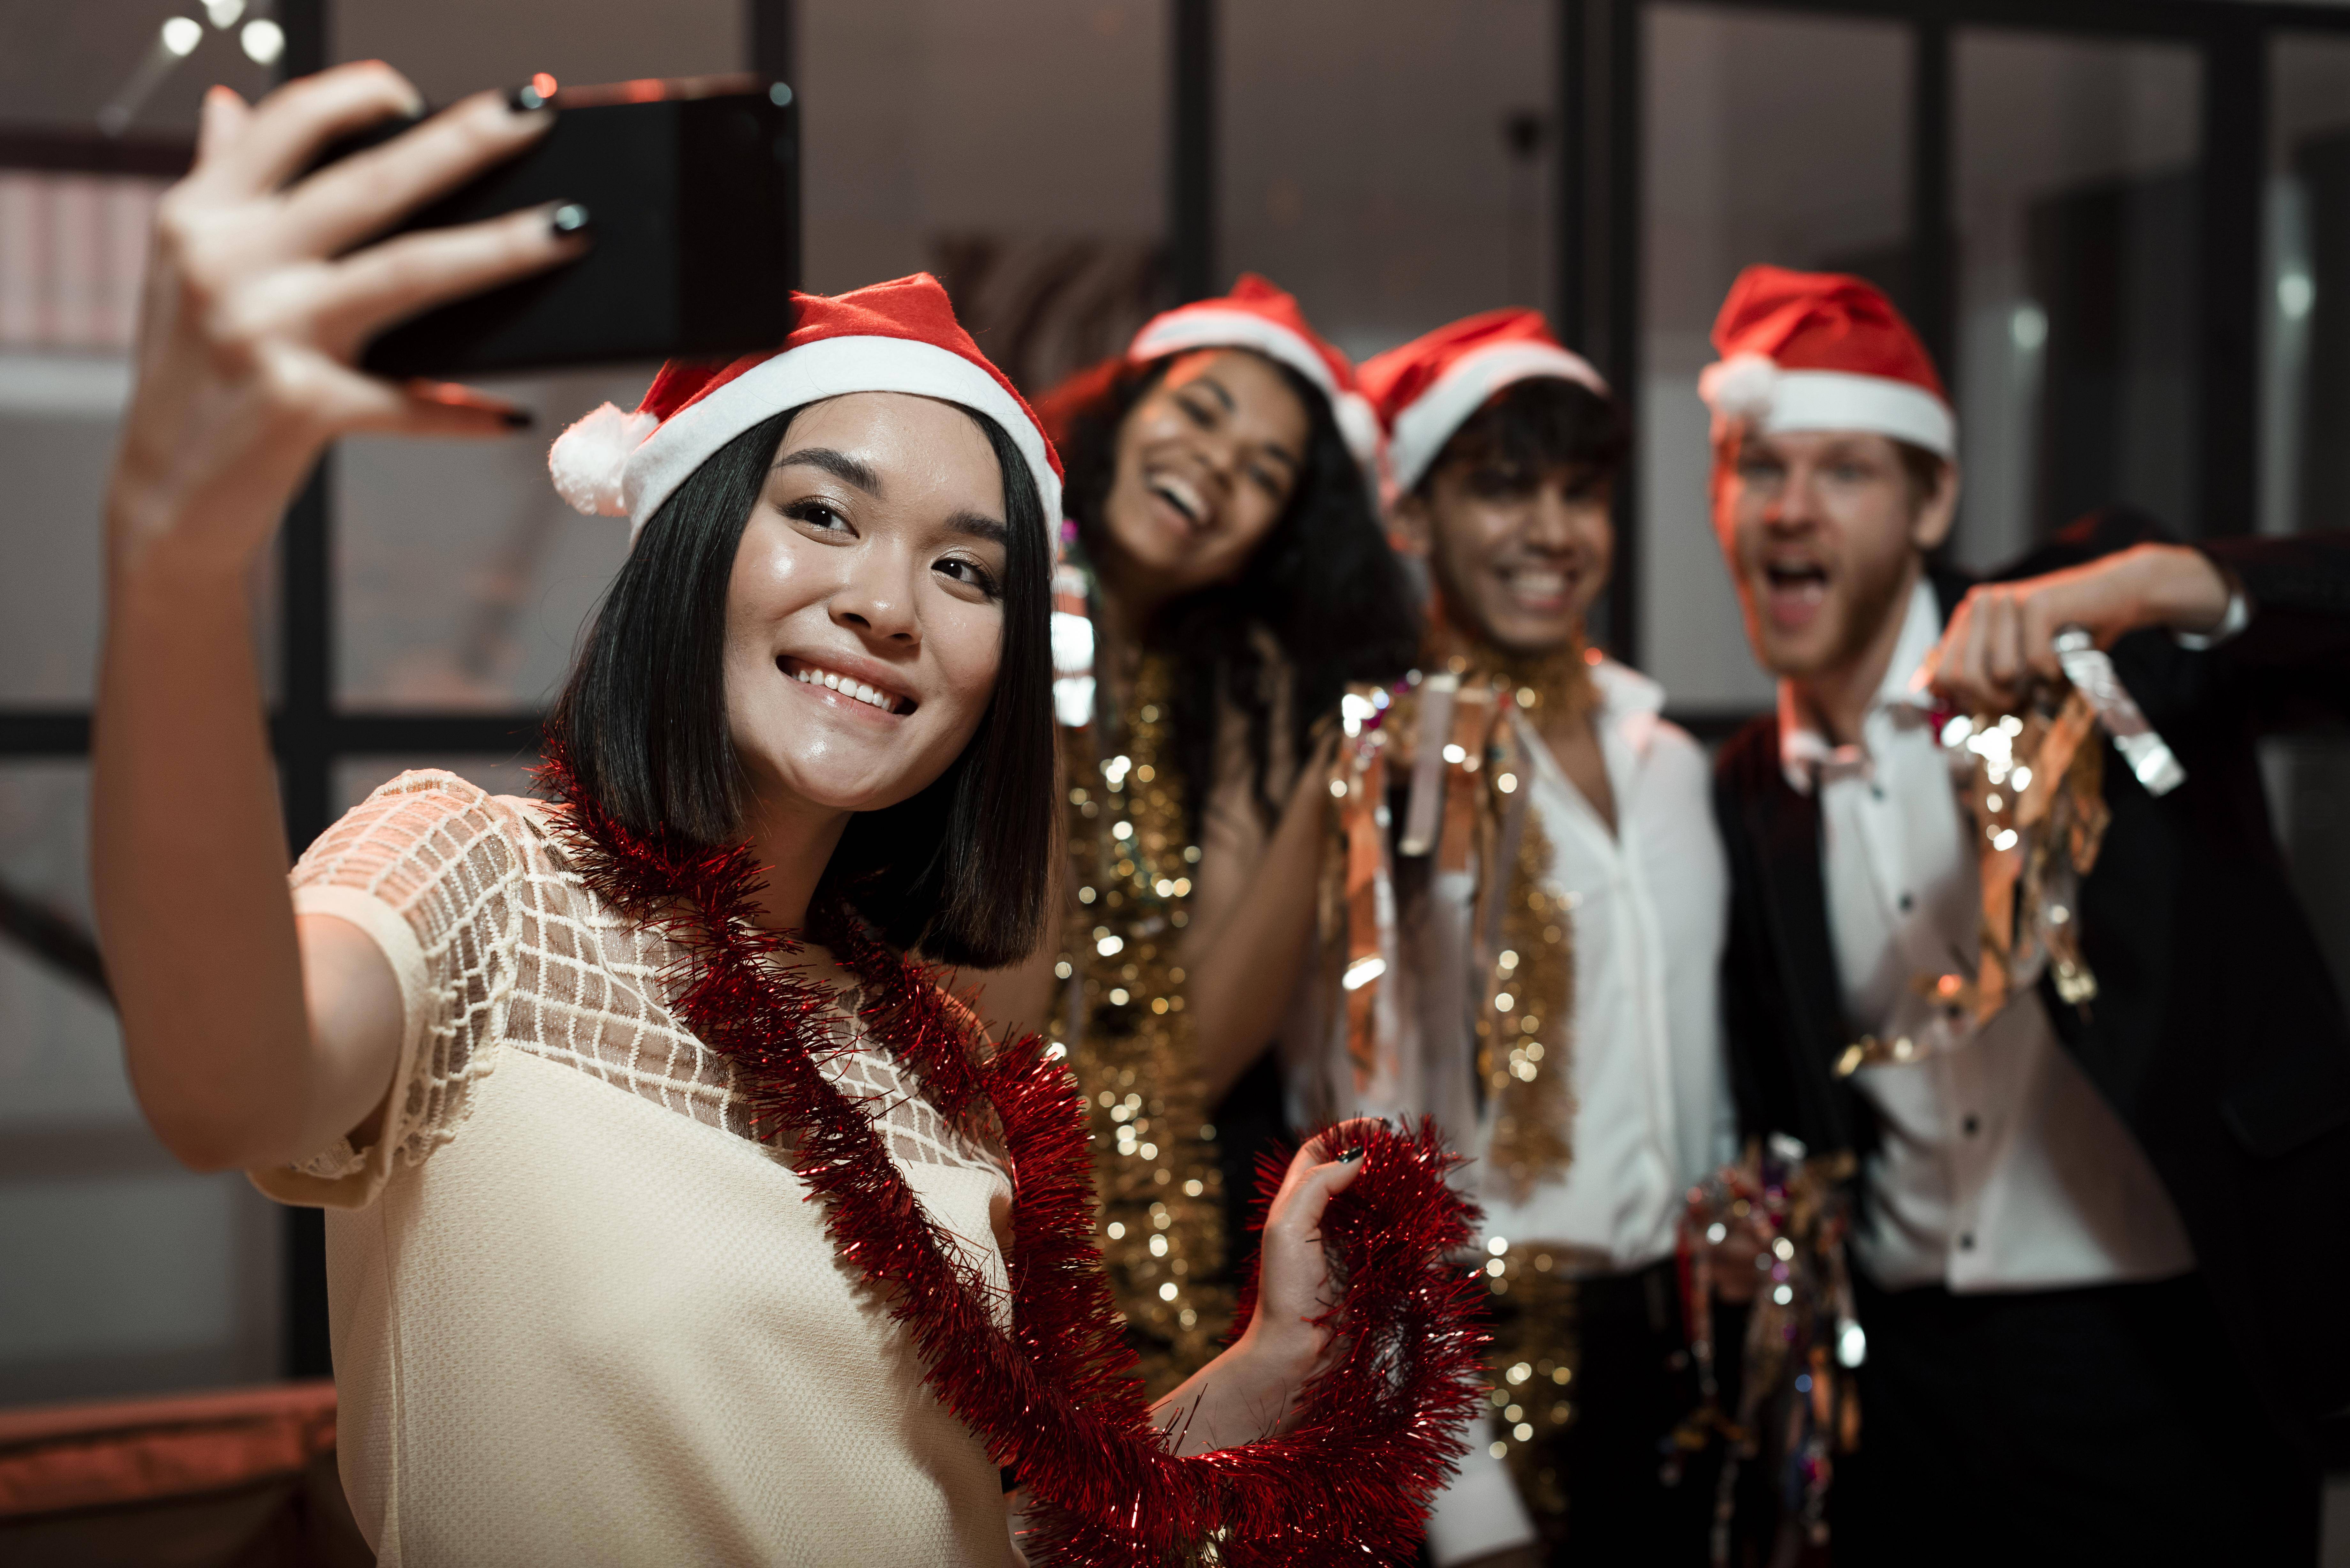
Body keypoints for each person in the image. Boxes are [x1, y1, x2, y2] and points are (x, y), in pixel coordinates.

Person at [91, 65, 1485, 1565]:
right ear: (696, 540)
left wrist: (1270, 1361)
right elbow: (225, 1085)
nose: (888, 604)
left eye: (966, 570)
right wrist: (178, 555)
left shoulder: (939, 1056)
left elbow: (1005, 1529)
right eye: (823, 513)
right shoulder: (476, 879)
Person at [1701, 263, 2350, 1565]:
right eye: (1754, 466)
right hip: (1911, 1389)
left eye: (1843, 472)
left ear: (1931, 497)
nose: (1788, 509)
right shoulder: (1746, 793)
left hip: (2168, 1348)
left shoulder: (2088, 640)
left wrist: (2171, 585)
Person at [1332, 312, 1735, 1566]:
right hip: (1490, 1345)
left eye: (1579, 492)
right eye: (1503, 490)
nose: (1552, 532)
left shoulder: (1664, 756)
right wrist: (1468, 1501)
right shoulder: (1391, 771)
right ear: (1414, 517)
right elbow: (1360, 1136)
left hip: (1679, 1352)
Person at [982, 278, 1420, 1394]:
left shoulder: (1238, 700)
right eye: (1204, 409)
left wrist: (1337, 761)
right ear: (1125, 413)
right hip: (937, 1201)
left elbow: (1204, 1051)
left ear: (1268, 544)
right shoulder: (972, 592)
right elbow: (985, 1024)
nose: (1224, 463)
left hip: (1149, 1263)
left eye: (1269, 471)